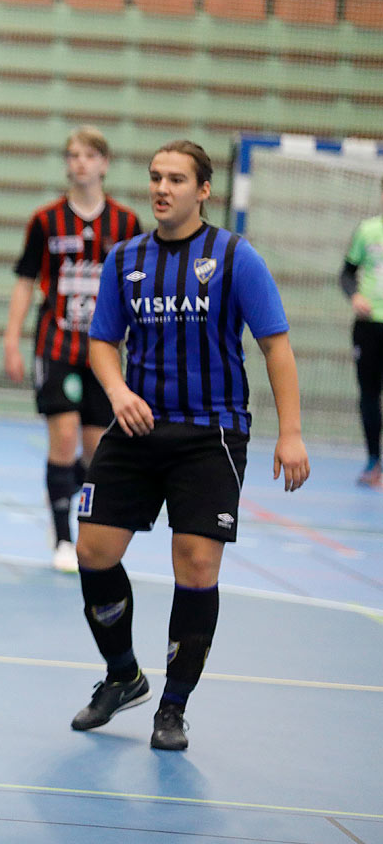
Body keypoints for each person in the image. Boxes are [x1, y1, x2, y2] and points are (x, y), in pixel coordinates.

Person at [72, 139, 309, 751]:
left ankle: (173, 707)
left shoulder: (234, 257)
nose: (162, 188)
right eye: (155, 176)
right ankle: (123, 675)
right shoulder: (125, 257)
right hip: (138, 427)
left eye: (177, 179)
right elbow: (102, 342)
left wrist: (291, 432)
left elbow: (275, 345)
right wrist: (118, 390)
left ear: (203, 190)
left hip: (211, 433)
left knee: (197, 564)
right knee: (94, 549)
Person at [4, 127, 141, 573]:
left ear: (104, 162)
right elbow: (26, 281)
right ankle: (62, 538)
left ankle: (87, 531)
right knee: (62, 437)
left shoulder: (125, 224)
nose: (79, 162)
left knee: (94, 448)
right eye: (72, 155)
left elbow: (134, 289)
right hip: (56, 344)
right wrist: (11, 338)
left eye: (88, 155)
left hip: (103, 352)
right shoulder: (46, 221)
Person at [340, 182, 383, 488]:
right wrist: (354, 296)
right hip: (369, 327)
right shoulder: (368, 231)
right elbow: (345, 273)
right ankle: (373, 461)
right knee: (369, 393)